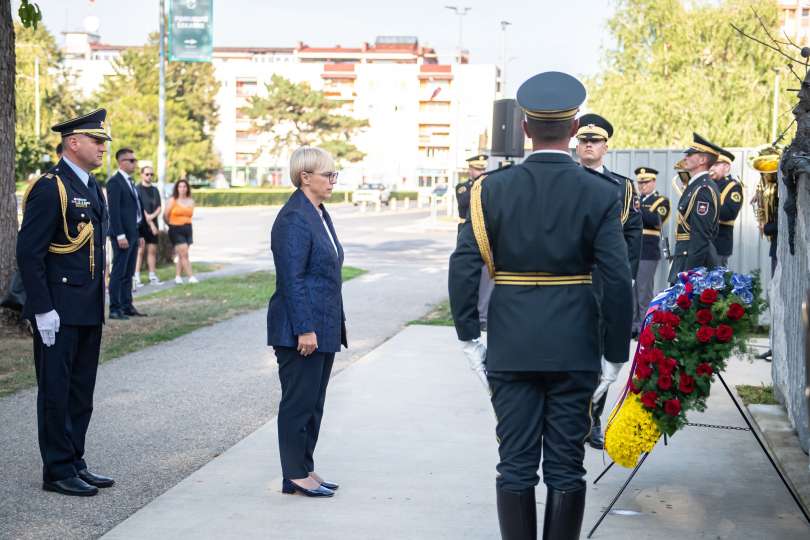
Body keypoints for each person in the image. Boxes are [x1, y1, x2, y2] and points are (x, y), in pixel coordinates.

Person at [449, 72, 633, 539]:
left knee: (515, 464)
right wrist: (614, 352)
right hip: (574, 345)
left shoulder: (488, 190)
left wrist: (469, 335)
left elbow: (464, 268)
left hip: (511, 344)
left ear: (526, 128)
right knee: (567, 467)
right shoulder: (601, 192)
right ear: (574, 129)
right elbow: (616, 278)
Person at [16, 108, 115, 496]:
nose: (102, 147)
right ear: (73, 143)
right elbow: (30, 253)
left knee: (80, 391)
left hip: (88, 307)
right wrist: (41, 308)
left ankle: (75, 460)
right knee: (56, 391)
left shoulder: (92, 186)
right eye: (96, 140)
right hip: (57, 309)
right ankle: (56, 470)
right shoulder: (50, 187)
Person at [267, 146, 347, 498]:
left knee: (314, 403)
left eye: (334, 174)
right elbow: (292, 279)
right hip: (301, 330)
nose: (332, 180)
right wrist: (305, 328)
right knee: (298, 402)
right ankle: (293, 474)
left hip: (323, 326)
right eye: (327, 175)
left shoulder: (318, 212)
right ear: (305, 177)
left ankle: (306, 468)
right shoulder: (294, 218)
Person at [574, 113, 642, 450]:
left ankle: (592, 418)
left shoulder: (623, 187)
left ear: (605, 146)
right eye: (584, 140)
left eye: (595, 140)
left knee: (602, 349)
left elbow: (632, 234)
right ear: (576, 143)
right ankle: (566, 416)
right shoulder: (565, 179)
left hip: (604, 280)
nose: (589, 145)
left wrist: (625, 276)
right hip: (569, 279)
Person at [668, 133, 723, 284]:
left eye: (690, 154)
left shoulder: (703, 189)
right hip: (684, 258)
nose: (685, 157)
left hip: (691, 263)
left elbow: (701, 236)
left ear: (703, 160)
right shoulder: (696, 186)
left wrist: (689, 276)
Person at [456, 154, 495, 331]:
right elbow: (467, 203)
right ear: (470, 170)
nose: (481, 172)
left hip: (485, 233)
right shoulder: (463, 188)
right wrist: (479, 185)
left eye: (483, 169)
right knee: (465, 275)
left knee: (486, 274)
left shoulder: (488, 185)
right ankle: (468, 312)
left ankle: (483, 315)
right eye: (477, 169)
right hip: (467, 230)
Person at [107, 147, 146, 319]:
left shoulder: (130, 182)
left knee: (129, 272)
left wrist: (140, 234)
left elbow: (137, 209)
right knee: (119, 272)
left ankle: (127, 304)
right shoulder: (115, 182)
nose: (134, 163)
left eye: (135, 160)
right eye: (131, 160)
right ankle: (115, 308)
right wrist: (120, 235)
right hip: (122, 235)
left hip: (133, 233)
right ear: (120, 162)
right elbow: (113, 211)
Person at [633, 167, 671, 335]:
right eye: (639, 183)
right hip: (633, 250)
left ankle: (645, 326)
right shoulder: (636, 200)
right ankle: (633, 327)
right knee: (632, 291)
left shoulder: (661, 201)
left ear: (653, 181)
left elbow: (656, 220)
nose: (642, 186)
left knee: (644, 291)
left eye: (645, 182)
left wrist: (638, 207)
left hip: (647, 251)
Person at [708, 147, 743, 267]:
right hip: (702, 242)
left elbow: (729, 213)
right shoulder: (707, 184)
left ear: (727, 167)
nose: (711, 168)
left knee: (716, 282)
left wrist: (706, 202)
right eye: (710, 164)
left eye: (716, 164)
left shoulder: (733, 186)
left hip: (719, 243)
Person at [163, 179, 198, 284]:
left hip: (187, 229)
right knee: (184, 254)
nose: (182, 189)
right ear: (177, 188)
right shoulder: (172, 200)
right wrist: (171, 225)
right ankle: (191, 277)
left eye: (184, 187)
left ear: (187, 188)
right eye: (180, 187)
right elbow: (165, 215)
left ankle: (178, 277)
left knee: (181, 254)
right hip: (175, 229)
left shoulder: (191, 201)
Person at [134, 165, 163, 287]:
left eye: (151, 174)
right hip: (141, 226)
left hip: (153, 225)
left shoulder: (155, 190)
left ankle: (152, 276)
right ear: (141, 174)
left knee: (152, 250)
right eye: (147, 174)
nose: (149, 176)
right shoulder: (137, 189)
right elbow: (140, 208)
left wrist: (152, 219)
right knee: (140, 251)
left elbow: (159, 207)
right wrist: (150, 223)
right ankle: (136, 277)